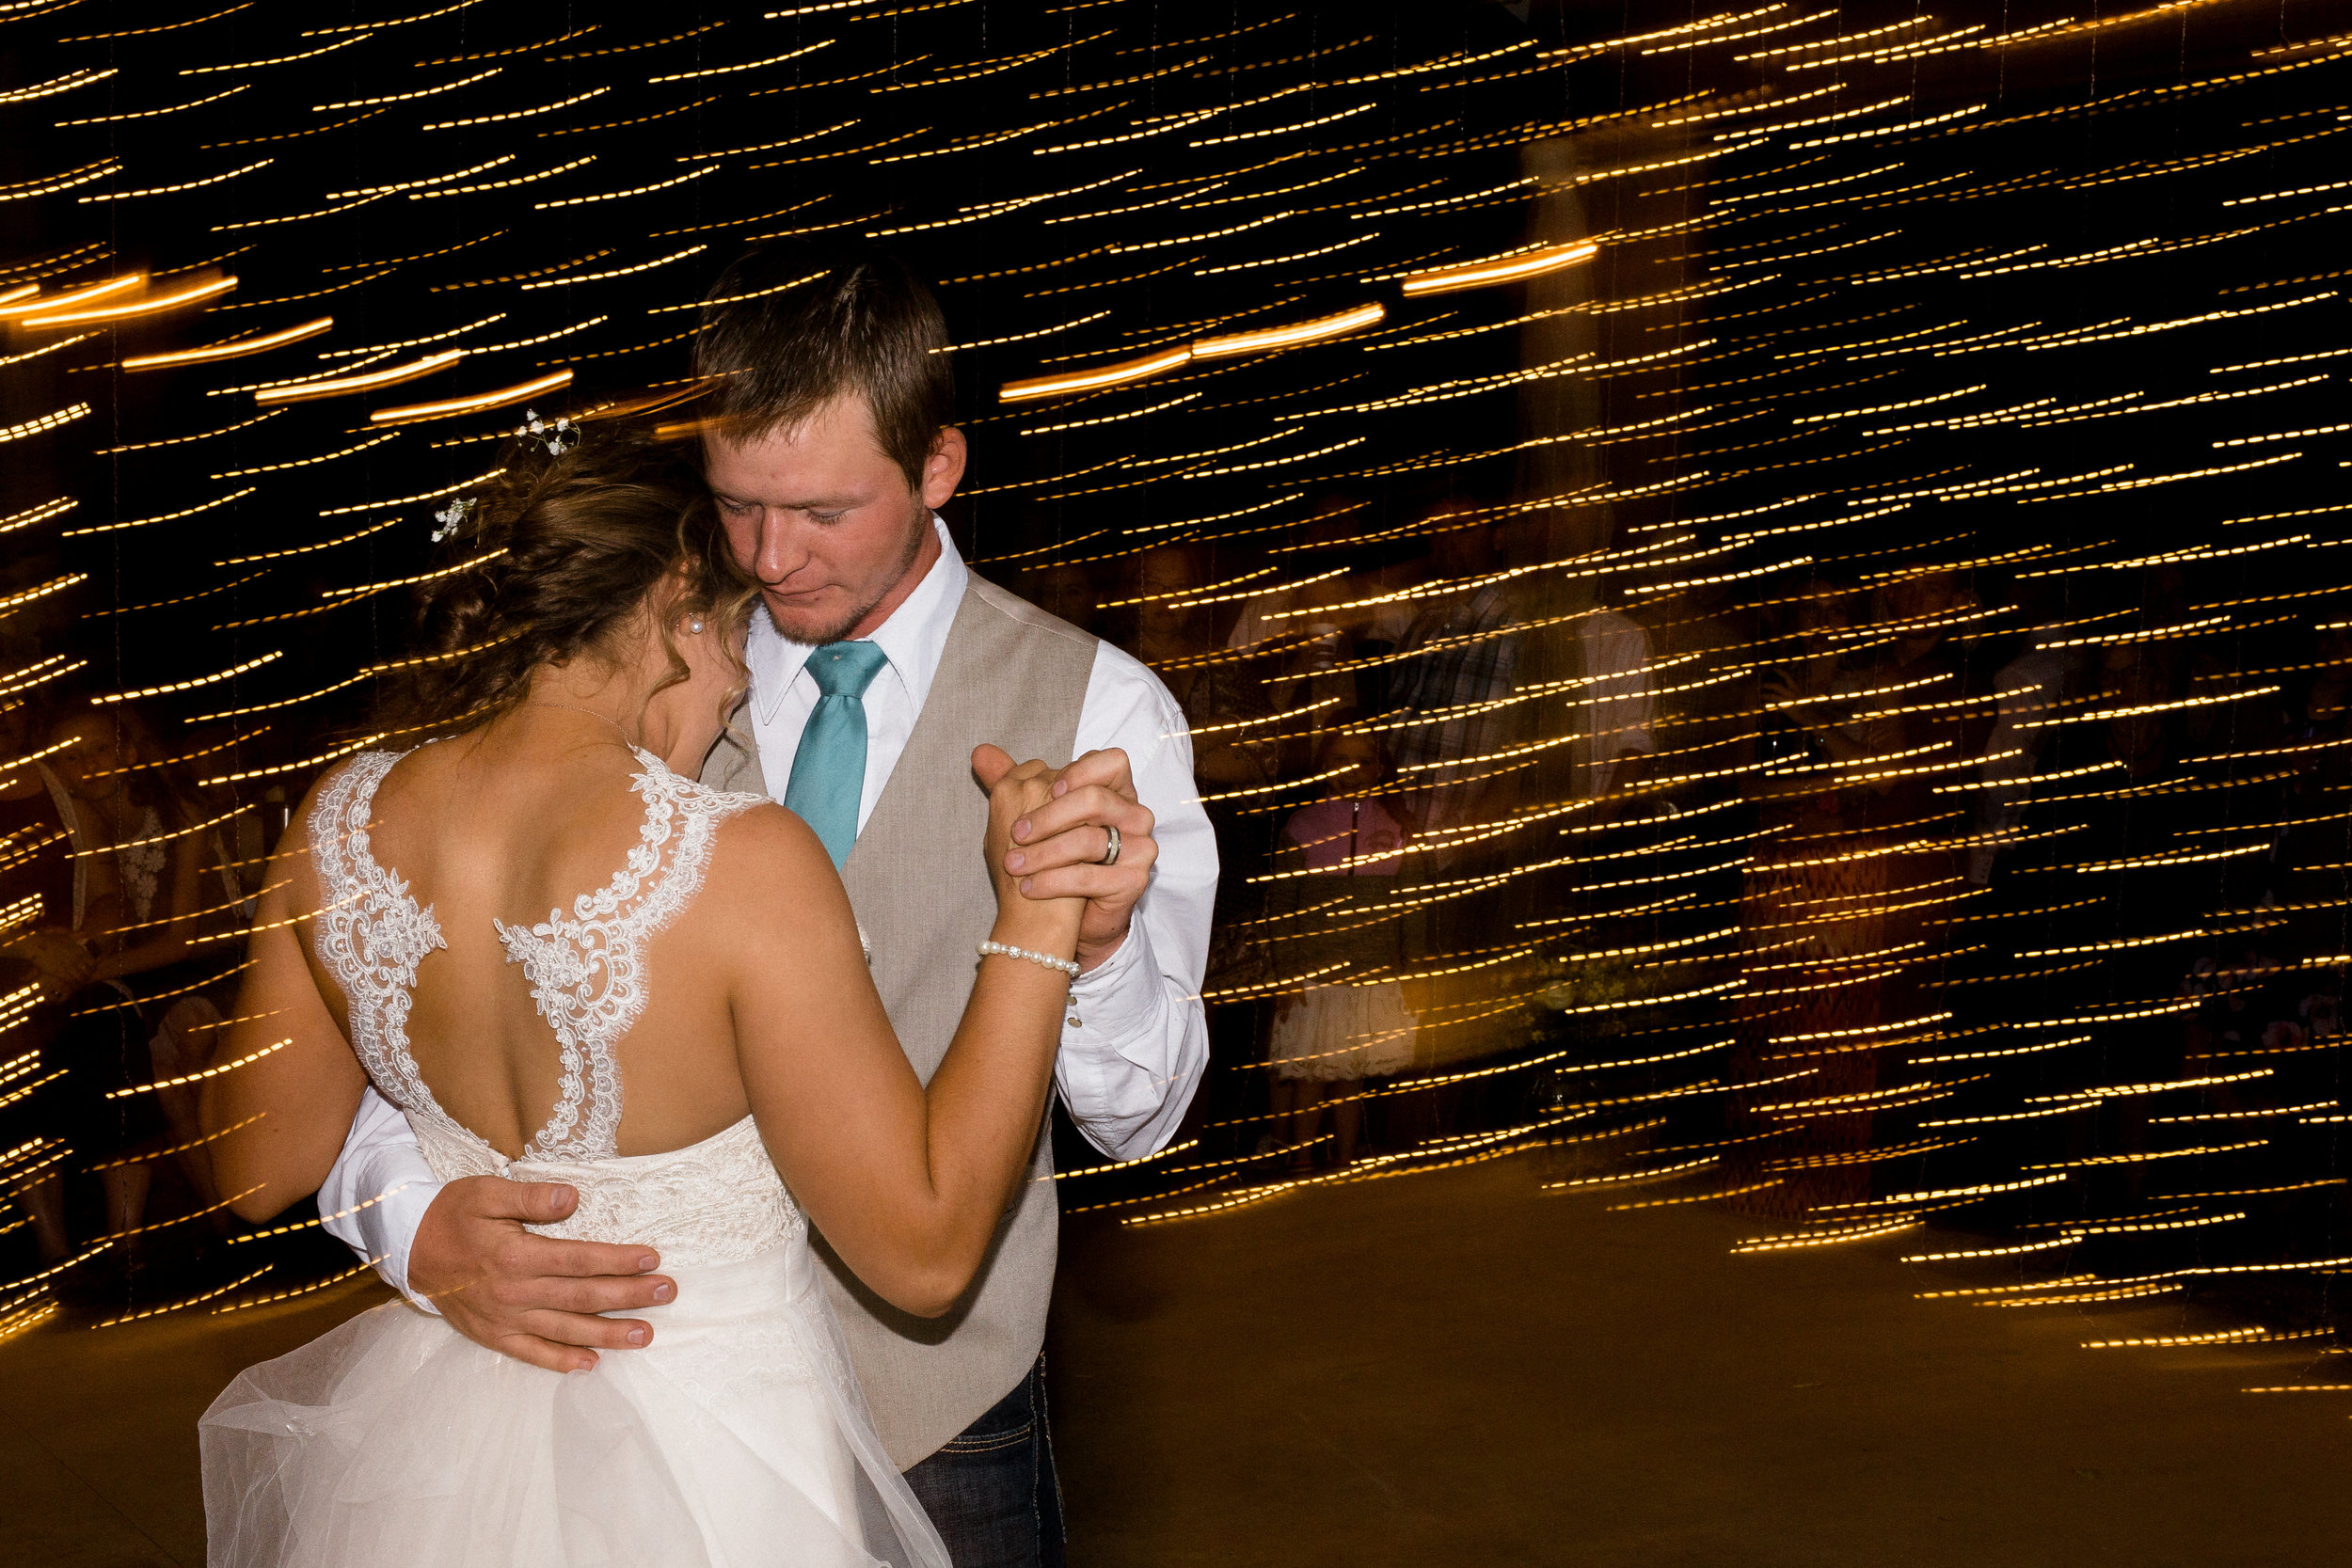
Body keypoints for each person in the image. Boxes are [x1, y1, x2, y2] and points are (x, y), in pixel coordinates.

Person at [312, 244, 1216, 1566]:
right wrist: (411, 1220)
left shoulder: (1102, 707)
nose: (771, 558)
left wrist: (1100, 944)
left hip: (941, 1411)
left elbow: (1142, 1112)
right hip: (631, 1415)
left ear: (940, 467)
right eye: (737, 505)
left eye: (823, 511)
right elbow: (396, 1012)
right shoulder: (643, 658)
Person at [199, 425, 1087, 1566]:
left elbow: (254, 1167)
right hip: (722, 1477)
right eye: (732, 634)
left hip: (438, 1470)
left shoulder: (336, 822)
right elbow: (923, 1252)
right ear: (677, 600)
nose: (735, 689)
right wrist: (1036, 916)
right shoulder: (743, 863)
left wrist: (410, 1221)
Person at [1264, 729, 1415, 1169]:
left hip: (1369, 972)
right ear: (1323, 765)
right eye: (1341, 759)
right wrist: (1288, 971)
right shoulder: (1302, 826)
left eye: (1364, 761)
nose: (1352, 771)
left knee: (1351, 1078)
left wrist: (1408, 966)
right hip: (1316, 973)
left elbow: (1408, 907)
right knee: (1311, 1074)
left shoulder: (1394, 826)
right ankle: (1302, 1161)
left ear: (1380, 769)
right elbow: (1282, 907)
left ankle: (1346, 1157)